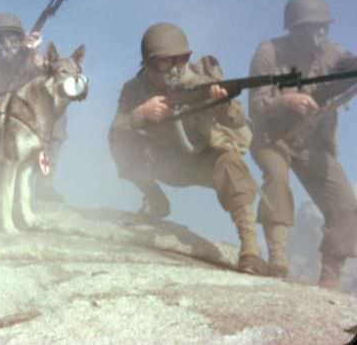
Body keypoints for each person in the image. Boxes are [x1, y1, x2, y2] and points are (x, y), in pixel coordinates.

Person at [108, 22, 265, 275]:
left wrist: (221, 104)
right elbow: (115, 131)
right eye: (165, 62)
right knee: (123, 141)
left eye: (182, 59)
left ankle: (250, 251)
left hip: (201, 163)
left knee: (231, 164)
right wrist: (140, 114)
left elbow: (237, 120)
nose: (175, 68)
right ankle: (155, 199)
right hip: (162, 164)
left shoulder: (200, 83)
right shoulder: (134, 90)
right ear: (148, 64)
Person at [249, 0, 357, 287]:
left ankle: (329, 281)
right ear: (296, 28)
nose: (321, 33)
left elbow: (351, 63)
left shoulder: (332, 54)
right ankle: (278, 261)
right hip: (272, 138)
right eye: (314, 27)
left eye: (325, 27)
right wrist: (287, 100)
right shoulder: (269, 52)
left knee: (346, 204)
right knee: (277, 180)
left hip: (311, 144)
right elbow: (256, 106)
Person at [0, 13, 67, 201]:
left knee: (56, 120)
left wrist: (35, 59)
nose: (7, 47)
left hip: (26, 139)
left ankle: (44, 182)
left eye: (14, 41)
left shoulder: (35, 69)